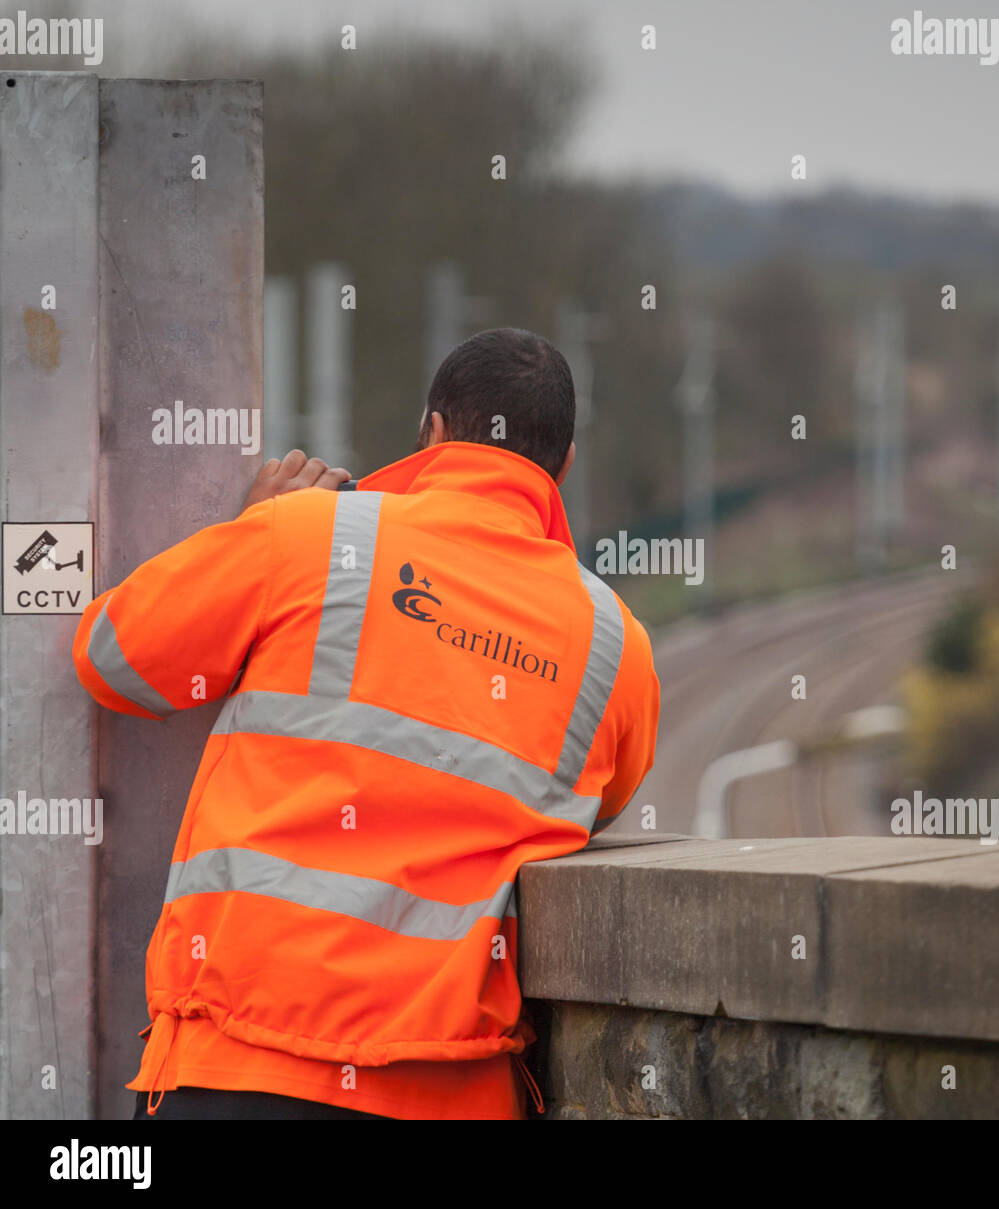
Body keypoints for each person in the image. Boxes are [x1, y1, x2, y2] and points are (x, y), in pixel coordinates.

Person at [72, 327, 660, 1120]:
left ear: (434, 430)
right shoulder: (615, 643)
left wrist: (244, 531)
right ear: (565, 464)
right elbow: (602, 800)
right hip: (453, 1092)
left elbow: (111, 655)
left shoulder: (306, 534)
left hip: (248, 1069)